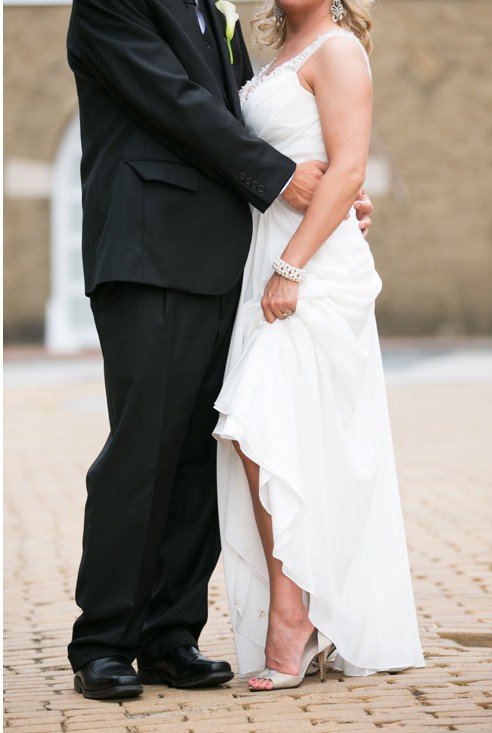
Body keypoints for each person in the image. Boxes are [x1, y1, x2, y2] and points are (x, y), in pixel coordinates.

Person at [64, 0, 373, 701]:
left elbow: (244, 117)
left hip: (225, 261)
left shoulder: (212, 9)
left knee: (202, 453)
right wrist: (283, 178)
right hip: (151, 251)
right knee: (145, 447)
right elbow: (175, 104)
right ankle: (105, 640)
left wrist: (328, 200)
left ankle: (170, 634)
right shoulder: (111, 7)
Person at [213, 0, 424, 690]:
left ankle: (293, 612)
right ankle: (298, 607)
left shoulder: (336, 50)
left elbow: (348, 169)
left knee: (256, 421)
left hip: (310, 271)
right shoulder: (267, 53)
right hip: (265, 261)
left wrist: (292, 267)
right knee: (276, 434)